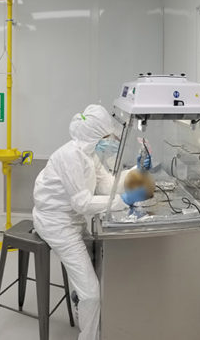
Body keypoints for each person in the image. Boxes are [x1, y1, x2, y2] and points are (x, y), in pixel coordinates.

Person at [32, 104, 149, 340]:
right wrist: (124, 201)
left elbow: (107, 183)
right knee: (93, 294)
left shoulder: (89, 154)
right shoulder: (70, 157)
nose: (111, 140)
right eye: (107, 136)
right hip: (56, 225)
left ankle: (79, 299)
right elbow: (82, 204)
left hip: (71, 222)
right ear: (94, 136)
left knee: (97, 263)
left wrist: (136, 171)